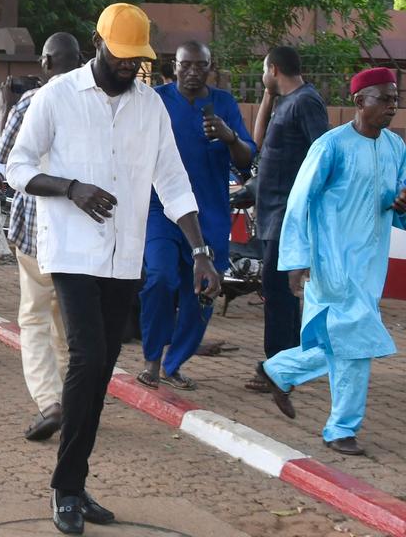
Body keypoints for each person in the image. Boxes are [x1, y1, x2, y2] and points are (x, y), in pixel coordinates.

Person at [5, 3, 221, 534]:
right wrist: (70, 189)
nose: (130, 67)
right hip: (72, 253)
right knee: (89, 356)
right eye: (121, 56)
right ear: (97, 43)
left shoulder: (150, 107)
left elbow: (172, 183)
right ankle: (64, 486)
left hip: (123, 257)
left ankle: (74, 482)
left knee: (101, 370)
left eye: (138, 59)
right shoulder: (57, 97)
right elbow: (17, 167)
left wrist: (199, 252)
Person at [258, 68, 405, 457]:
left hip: (370, 265)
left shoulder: (395, 147)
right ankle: (341, 429)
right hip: (332, 263)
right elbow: (298, 204)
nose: (393, 106)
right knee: (355, 342)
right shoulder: (330, 147)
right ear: (359, 101)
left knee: (339, 340)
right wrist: (296, 260)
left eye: (395, 98)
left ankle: (281, 370)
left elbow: (399, 204)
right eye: (384, 99)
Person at [138, 41, 255, 391]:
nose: (191, 71)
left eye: (199, 65)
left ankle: (174, 364)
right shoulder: (154, 99)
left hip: (211, 216)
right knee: (158, 278)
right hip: (160, 210)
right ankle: (152, 361)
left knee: (202, 294)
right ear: (173, 66)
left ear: (210, 67)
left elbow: (247, 159)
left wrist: (229, 136)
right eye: (184, 64)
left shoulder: (224, 104)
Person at [0, 32, 81, 441]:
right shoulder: (94, 104)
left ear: (45, 64)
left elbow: (7, 159)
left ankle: (50, 402)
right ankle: (76, 403)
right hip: (82, 233)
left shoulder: (30, 103)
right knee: (68, 324)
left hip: (36, 230)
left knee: (34, 318)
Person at [244, 46, 329, 393]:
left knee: (278, 291)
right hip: (273, 214)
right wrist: (267, 94)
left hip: (288, 216)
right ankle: (287, 364)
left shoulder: (306, 102)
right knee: (279, 290)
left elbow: (322, 154)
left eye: (265, 73)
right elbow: (257, 142)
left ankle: (279, 368)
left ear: (274, 68)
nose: (264, 79)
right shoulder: (285, 102)